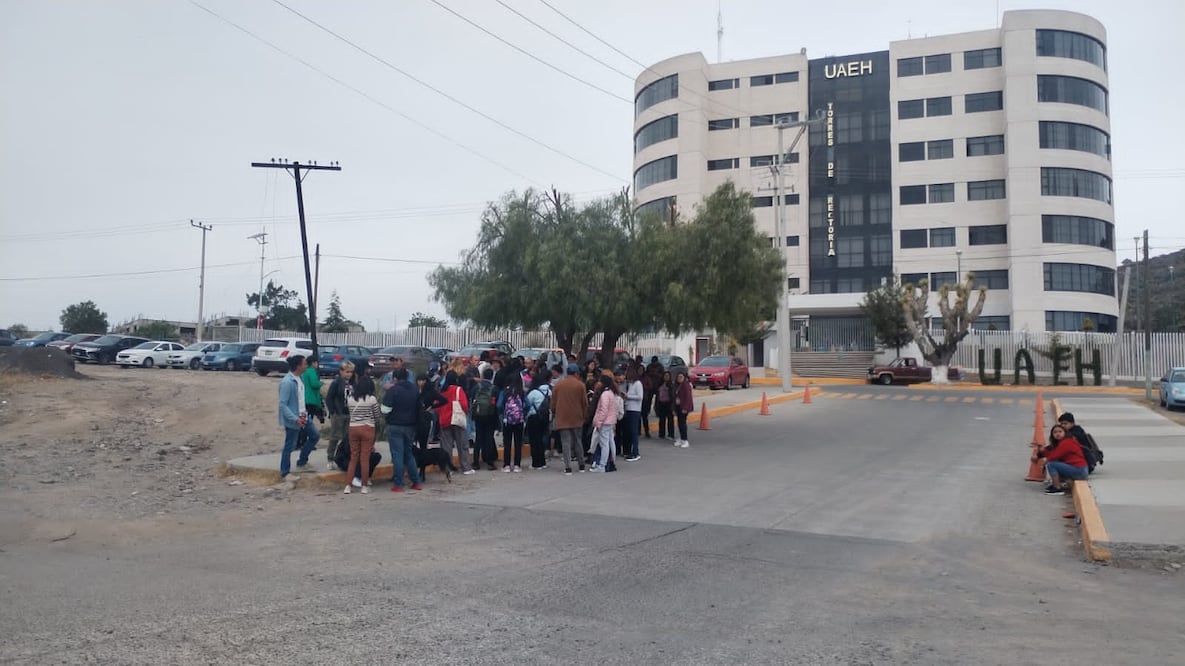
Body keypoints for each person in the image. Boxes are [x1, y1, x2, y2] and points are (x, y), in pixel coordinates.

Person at [381, 368, 423, 492]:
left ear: (395, 378)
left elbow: (385, 409)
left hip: (395, 425)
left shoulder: (393, 390)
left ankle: (398, 484)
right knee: (408, 454)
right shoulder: (414, 390)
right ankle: (416, 481)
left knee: (397, 455)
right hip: (410, 425)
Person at [278, 355, 320, 479]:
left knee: (314, 436)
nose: (306, 366)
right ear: (298, 366)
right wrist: (294, 418)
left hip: (304, 416)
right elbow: (283, 405)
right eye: (304, 364)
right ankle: (285, 472)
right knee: (290, 445)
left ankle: (302, 462)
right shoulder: (287, 382)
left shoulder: (300, 378)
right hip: (294, 419)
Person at [343, 375, 381, 494]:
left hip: (353, 428)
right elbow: (377, 415)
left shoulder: (350, 398)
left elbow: (350, 413)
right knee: (364, 458)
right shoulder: (371, 399)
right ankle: (364, 486)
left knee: (353, 458)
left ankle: (348, 486)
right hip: (367, 428)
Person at [435, 370, 474, 475]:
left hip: (444, 420)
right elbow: (465, 405)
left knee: (446, 446)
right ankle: (466, 467)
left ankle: (448, 468)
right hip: (457, 420)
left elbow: (437, 407)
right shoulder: (458, 390)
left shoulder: (441, 391)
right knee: (462, 445)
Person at [553, 363, 589, 475]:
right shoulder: (580, 385)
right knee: (578, 441)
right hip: (577, 418)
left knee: (566, 443)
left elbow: (553, 403)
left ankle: (568, 467)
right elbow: (585, 403)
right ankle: (581, 465)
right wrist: (584, 416)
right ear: (577, 373)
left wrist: (555, 413)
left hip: (562, 418)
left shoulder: (558, 385)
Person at [1035, 424, 1090, 494]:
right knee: (1055, 463)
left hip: (1079, 470)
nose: (1058, 434)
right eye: (1055, 432)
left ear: (1065, 433)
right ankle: (1057, 484)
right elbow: (1054, 454)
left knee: (1051, 465)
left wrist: (1045, 460)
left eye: (1060, 431)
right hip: (1081, 470)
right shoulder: (1063, 442)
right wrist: (1043, 451)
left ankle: (1057, 488)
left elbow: (1054, 456)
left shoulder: (1066, 442)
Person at [324, 361, 356, 470]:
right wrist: (333, 411)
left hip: (350, 413)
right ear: (341, 371)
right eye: (347, 372)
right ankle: (330, 458)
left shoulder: (353, 383)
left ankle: (343, 458)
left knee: (347, 437)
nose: (349, 374)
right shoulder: (336, 383)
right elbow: (329, 398)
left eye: (351, 372)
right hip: (339, 413)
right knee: (334, 437)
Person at [470, 368, 500, 471]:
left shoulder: (476, 387)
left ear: (482, 375)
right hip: (490, 416)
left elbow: (472, 399)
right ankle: (490, 462)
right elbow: (497, 404)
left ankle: (475, 462)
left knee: (478, 438)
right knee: (488, 438)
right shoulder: (495, 388)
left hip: (478, 416)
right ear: (492, 376)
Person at [499, 373, 527, 472]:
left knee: (507, 443)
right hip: (519, 420)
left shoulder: (505, 392)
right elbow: (526, 405)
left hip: (507, 420)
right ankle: (517, 465)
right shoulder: (522, 392)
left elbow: (499, 405)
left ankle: (506, 465)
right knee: (518, 443)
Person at [590, 373, 618, 471]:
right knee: (610, 442)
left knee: (604, 444)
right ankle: (611, 461)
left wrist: (599, 422)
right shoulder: (611, 393)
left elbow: (603, 410)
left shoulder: (605, 395)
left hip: (605, 422)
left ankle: (602, 465)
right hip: (610, 421)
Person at [525, 373, 553, 470]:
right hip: (545, 417)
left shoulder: (533, 392)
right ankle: (543, 462)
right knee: (541, 439)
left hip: (534, 418)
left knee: (534, 441)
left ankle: (536, 463)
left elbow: (527, 404)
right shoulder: (549, 391)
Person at [622, 366, 644, 461]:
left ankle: (636, 452)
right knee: (629, 432)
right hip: (628, 409)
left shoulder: (638, 384)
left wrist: (628, 396)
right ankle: (629, 451)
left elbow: (640, 397)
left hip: (635, 410)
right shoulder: (630, 384)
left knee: (634, 432)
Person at [673, 371, 694, 448]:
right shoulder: (677, 385)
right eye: (678, 377)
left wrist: (685, 408)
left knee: (682, 423)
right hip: (678, 406)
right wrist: (673, 409)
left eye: (681, 377)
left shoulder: (686, 385)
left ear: (684, 378)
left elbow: (687, 398)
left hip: (684, 407)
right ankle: (681, 438)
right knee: (679, 423)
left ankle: (685, 440)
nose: (679, 378)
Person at [654, 370, 674, 440]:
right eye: (665, 376)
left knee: (670, 420)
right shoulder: (660, 384)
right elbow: (657, 395)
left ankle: (671, 434)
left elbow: (673, 395)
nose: (666, 377)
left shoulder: (671, 385)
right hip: (661, 403)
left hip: (669, 403)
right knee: (662, 419)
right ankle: (661, 434)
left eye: (668, 376)